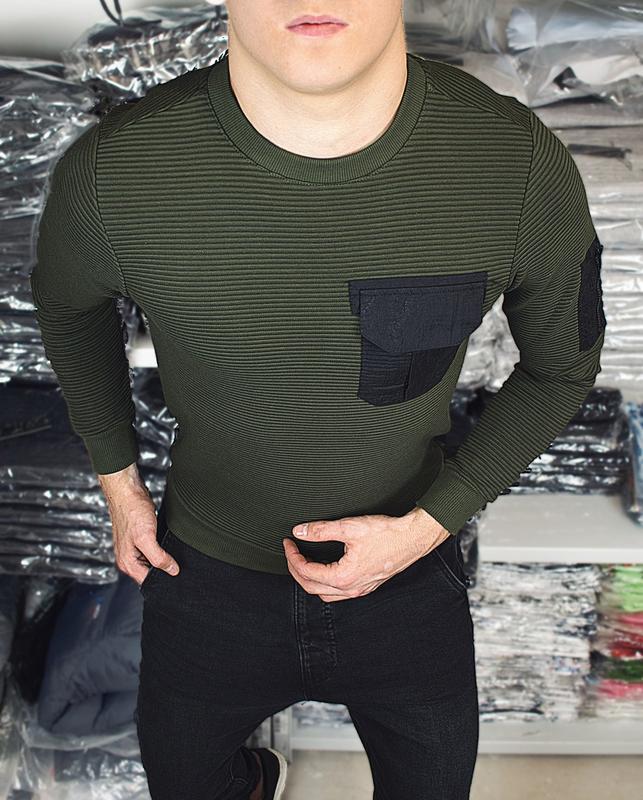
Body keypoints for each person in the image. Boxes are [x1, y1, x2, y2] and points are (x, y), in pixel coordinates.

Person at [30, 1, 606, 798]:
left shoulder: (511, 162)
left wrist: (430, 524)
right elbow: (68, 311)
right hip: (204, 574)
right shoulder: (115, 171)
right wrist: (118, 484)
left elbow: (561, 368)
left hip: (408, 573)